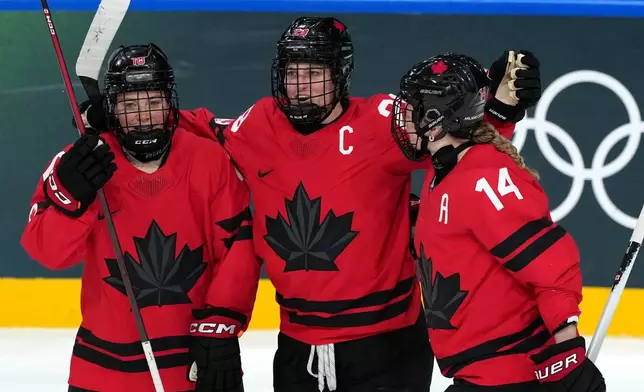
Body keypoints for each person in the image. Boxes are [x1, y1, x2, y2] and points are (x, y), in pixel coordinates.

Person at [197, 17, 542, 392]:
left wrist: (499, 113)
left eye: (313, 73)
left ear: (340, 74)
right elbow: (190, 129)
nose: (299, 87)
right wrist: (125, 126)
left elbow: (461, 147)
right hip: (297, 349)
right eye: (291, 73)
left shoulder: (384, 122)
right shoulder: (258, 124)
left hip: (387, 348)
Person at [21, 43, 260, 392]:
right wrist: (72, 201)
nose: (144, 116)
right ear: (111, 110)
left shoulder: (208, 160)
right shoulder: (82, 162)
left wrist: (221, 326)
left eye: (153, 101)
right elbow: (48, 253)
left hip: (194, 367)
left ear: (170, 102)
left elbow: (237, 247)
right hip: (102, 373)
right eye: (130, 105)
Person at [389, 52, 606, 392]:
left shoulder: (483, 177)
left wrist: (568, 354)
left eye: (412, 108)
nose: (402, 120)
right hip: (478, 376)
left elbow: (551, 267)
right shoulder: (443, 171)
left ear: (436, 119)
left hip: (509, 377)